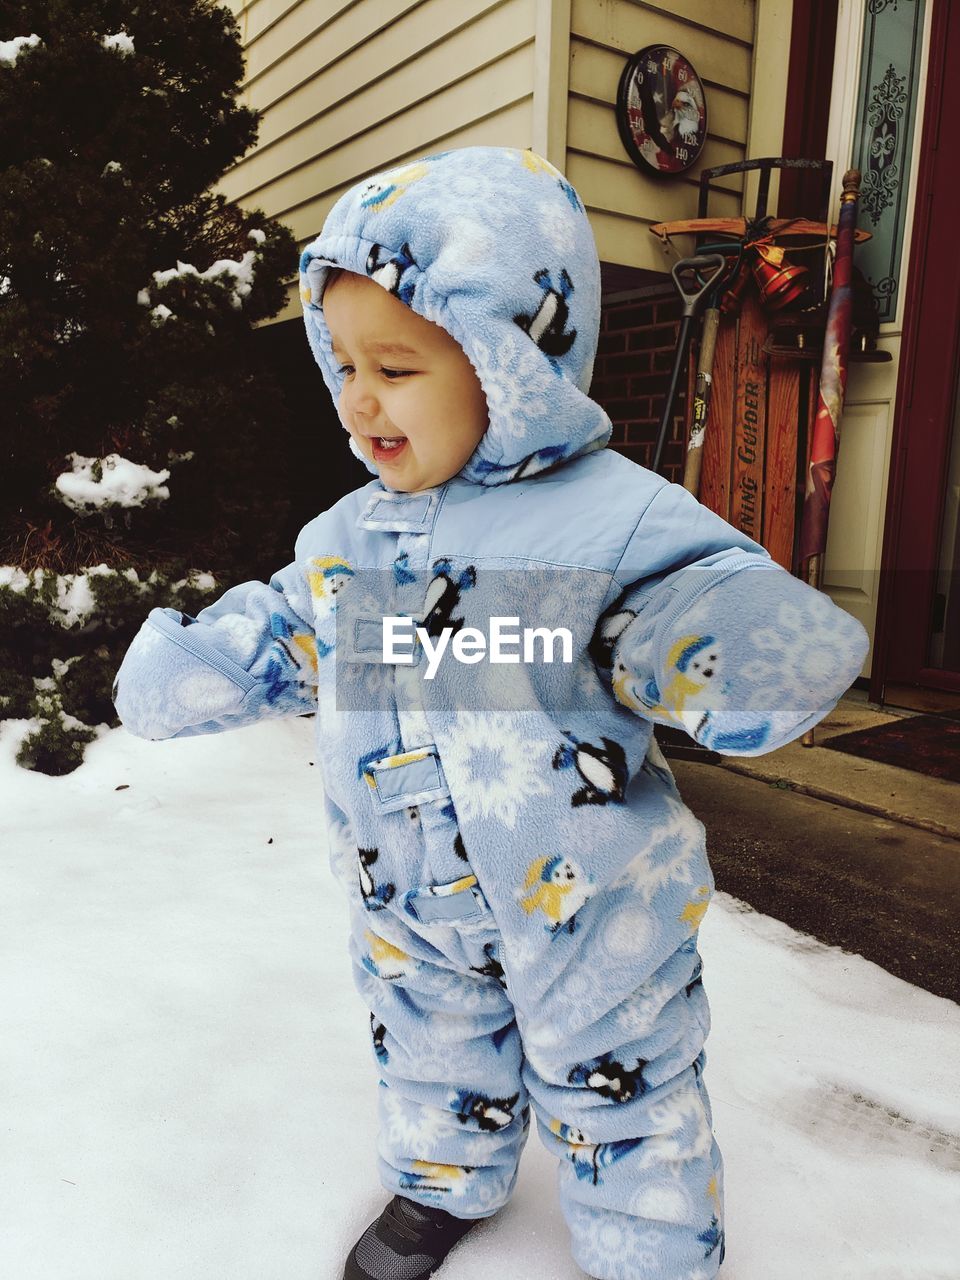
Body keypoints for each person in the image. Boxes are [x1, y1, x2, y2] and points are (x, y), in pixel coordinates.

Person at [113, 146, 869, 1280]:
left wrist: (739, 644)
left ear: (511, 362)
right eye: (345, 364)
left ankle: (651, 1246)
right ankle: (439, 1181)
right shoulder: (351, 534)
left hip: (587, 901)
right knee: (427, 1046)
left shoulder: (610, 517)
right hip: (404, 887)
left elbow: (686, 596)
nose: (361, 397)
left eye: (399, 366)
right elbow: (292, 624)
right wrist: (207, 660)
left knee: (623, 1076)